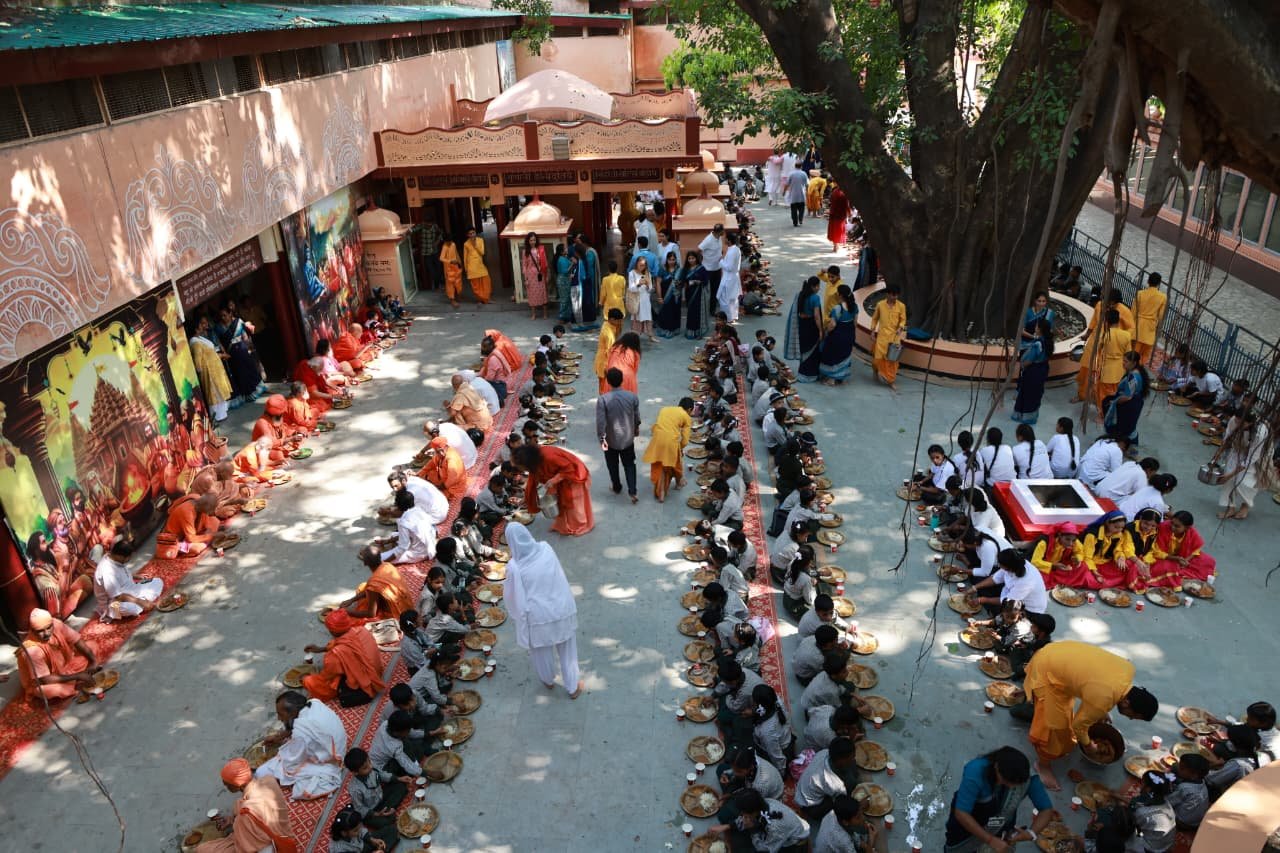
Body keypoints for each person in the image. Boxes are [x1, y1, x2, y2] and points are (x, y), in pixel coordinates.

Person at [1020, 640, 1158, 790]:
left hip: (1059, 651)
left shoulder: (1128, 669)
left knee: (1065, 715)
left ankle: (1032, 700)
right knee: (1055, 728)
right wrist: (1088, 745)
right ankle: (1043, 766)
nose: (1130, 718)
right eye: (1134, 715)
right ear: (1126, 703)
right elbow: (1078, 726)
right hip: (1046, 671)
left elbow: (1098, 680)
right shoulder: (1102, 700)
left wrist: (1102, 709)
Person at [504, 522, 582, 698]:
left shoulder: (514, 567)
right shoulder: (546, 548)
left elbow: (512, 597)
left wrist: (518, 616)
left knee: (540, 651)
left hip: (537, 616)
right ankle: (573, 687)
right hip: (561, 607)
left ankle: (548, 680)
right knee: (568, 650)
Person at [944, 746, 1055, 853]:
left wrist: (1031, 833)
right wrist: (990, 840)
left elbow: (1046, 810)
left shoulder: (1026, 777)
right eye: (1006, 782)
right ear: (996, 768)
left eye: (1015, 785)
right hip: (967, 826)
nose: (1011, 787)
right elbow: (961, 813)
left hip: (1001, 826)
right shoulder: (976, 771)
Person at [255, 690, 348, 800]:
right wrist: (279, 737)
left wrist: (278, 756)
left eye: (281, 714)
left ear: (292, 712)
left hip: (332, 760)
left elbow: (292, 762)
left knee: (260, 772)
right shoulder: (314, 703)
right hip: (340, 745)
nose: (279, 718)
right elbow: (297, 726)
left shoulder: (301, 734)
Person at [196, 759, 294, 852]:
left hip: (272, 845)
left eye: (227, 784)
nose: (226, 787)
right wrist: (233, 820)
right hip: (285, 832)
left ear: (238, 785)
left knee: (201, 849)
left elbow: (246, 847)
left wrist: (236, 824)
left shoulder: (246, 811)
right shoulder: (269, 779)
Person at [302, 609, 386, 706]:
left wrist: (308, 676)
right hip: (377, 672)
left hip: (366, 684)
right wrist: (321, 649)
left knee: (310, 681)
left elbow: (326, 676)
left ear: (332, 631)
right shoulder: (362, 630)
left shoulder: (335, 655)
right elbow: (341, 643)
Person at [15, 608, 99, 701]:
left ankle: (79, 679)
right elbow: (45, 680)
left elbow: (77, 641)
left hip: (66, 666)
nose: (46, 633)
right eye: (40, 631)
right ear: (32, 631)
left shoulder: (56, 624)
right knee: (51, 690)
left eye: (49, 628)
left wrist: (94, 661)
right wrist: (78, 676)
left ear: (52, 623)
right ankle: (77, 684)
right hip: (47, 680)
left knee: (92, 646)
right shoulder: (32, 650)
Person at [513, 444, 594, 536]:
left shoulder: (548, 457)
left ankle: (580, 525)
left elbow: (569, 467)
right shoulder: (534, 461)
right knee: (560, 501)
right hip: (561, 478)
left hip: (574, 474)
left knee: (574, 504)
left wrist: (554, 480)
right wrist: (526, 498)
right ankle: (565, 525)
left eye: (519, 467)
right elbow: (532, 481)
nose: (520, 470)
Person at [596, 366, 641, 502]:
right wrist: (636, 429)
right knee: (629, 464)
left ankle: (617, 487)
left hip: (610, 439)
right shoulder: (632, 397)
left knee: (612, 464)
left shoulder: (603, 399)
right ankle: (633, 492)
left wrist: (601, 439)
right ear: (622, 380)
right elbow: (636, 417)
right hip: (627, 438)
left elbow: (601, 423)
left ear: (608, 382)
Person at [1217, 410, 1270, 520]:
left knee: (1246, 483)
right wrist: (1218, 454)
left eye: (1242, 423)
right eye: (1237, 421)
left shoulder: (1260, 433)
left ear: (1250, 423)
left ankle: (1246, 506)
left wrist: (1230, 475)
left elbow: (1251, 458)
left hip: (1257, 455)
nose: (1238, 425)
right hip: (1238, 448)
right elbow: (1228, 437)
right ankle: (1230, 507)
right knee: (1228, 478)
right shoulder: (1234, 420)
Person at [93, 540, 162, 622]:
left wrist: (135, 576)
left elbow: (120, 573)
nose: (129, 559)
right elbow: (118, 596)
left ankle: (143, 602)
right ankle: (143, 602)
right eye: (128, 557)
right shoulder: (107, 571)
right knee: (132, 609)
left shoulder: (113, 558)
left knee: (158, 582)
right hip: (114, 602)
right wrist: (139, 601)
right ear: (120, 556)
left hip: (130, 590)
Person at [969, 548, 1050, 615]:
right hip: (1009, 591)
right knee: (978, 580)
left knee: (999, 613)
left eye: (1001, 565)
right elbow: (995, 578)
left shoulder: (1026, 582)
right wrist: (974, 587)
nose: (999, 566)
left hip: (1027, 609)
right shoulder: (1014, 564)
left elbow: (1008, 601)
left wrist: (983, 600)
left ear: (1010, 568)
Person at [643, 397, 694, 502]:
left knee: (661, 465)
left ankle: (661, 492)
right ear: (689, 409)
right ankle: (679, 483)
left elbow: (658, 424)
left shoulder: (664, 409)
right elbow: (685, 441)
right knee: (676, 464)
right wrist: (680, 449)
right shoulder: (686, 417)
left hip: (657, 439)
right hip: (671, 442)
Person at [1146, 510, 1216, 585]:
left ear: (1187, 528)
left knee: (1208, 560)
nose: (1172, 527)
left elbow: (1196, 549)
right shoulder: (1163, 527)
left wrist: (1186, 560)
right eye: (1172, 523)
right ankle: (1176, 574)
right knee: (1163, 567)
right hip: (1165, 557)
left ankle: (1176, 573)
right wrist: (1175, 558)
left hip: (1182, 556)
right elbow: (1156, 551)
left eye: (1177, 526)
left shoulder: (1191, 532)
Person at [189, 315, 234, 422]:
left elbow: (210, 354)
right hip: (209, 372)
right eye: (200, 325)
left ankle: (222, 414)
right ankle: (217, 416)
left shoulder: (200, 339)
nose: (203, 327)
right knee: (214, 394)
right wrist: (203, 373)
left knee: (219, 393)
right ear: (196, 328)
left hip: (214, 370)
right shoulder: (195, 342)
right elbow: (198, 361)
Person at [155, 492, 220, 559]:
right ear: (206, 507)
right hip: (173, 540)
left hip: (188, 531)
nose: (212, 512)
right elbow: (191, 539)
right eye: (211, 509)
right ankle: (179, 548)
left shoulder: (196, 498)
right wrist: (212, 536)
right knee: (197, 548)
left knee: (215, 521)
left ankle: (205, 538)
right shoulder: (187, 513)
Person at [1013, 317, 1053, 424]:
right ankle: (1032, 416)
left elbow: (1029, 360)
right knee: (1036, 393)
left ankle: (1025, 417)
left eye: (1036, 326)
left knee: (1028, 393)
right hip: (1042, 370)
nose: (1035, 327)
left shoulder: (1038, 344)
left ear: (1039, 329)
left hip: (1033, 371)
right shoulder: (1048, 341)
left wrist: (1023, 365)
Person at [785, 276, 825, 383]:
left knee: (804, 348)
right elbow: (817, 316)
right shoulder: (815, 298)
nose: (819, 288)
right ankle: (811, 374)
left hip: (802, 325)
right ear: (813, 286)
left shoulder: (800, 295)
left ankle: (802, 373)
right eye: (818, 286)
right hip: (812, 326)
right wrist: (820, 330)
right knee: (813, 350)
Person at [1103, 351, 1149, 442]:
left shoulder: (1132, 377)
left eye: (1126, 361)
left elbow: (1128, 397)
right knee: (1130, 426)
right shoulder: (1137, 371)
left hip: (1129, 405)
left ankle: (1122, 443)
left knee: (1124, 427)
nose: (1123, 363)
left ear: (1134, 363)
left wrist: (1115, 402)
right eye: (1123, 360)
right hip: (1134, 403)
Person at [818, 285, 858, 385]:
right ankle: (841, 376)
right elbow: (855, 323)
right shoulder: (854, 306)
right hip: (849, 335)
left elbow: (832, 325)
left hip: (838, 336)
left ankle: (832, 379)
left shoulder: (838, 308)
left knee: (833, 356)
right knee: (844, 355)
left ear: (840, 295)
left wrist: (826, 331)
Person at [869, 286, 907, 390]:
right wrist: (872, 331)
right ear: (888, 294)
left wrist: (900, 327)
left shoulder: (901, 306)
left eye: (897, 295)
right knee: (877, 359)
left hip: (894, 337)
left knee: (892, 361)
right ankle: (875, 371)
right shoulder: (880, 305)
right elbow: (875, 318)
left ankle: (891, 381)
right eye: (893, 295)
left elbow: (903, 320)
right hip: (882, 337)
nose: (895, 297)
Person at [1166, 753, 1211, 830]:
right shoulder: (1202, 782)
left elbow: (1168, 802)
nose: (1179, 768)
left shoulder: (1184, 788)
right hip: (1197, 822)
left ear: (1194, 775)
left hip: (1182, 822)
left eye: (1182, 768)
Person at [1132, 273, 1168, 364]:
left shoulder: (1140, 294)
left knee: (1133, 353)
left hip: (1138, 327)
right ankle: (1139, 368)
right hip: (1150, 329)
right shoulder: (1163, 297)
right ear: (1159, 284)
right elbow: (1161, 316)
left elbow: (1133, 312)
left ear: (1148, 281)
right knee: (1145, 355)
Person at [418, 436, 467, 501]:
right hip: (443, 477)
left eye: (441, 450)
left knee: (434, 498)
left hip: (453, 486)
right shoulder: (440, 452)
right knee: (425, 474)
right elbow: (431, 463)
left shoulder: (452, 460)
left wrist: (442, 486)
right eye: (437, 451)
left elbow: (453, 478)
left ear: (445, 447)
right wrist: (419, 473)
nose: (440, 453)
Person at [678, 250, 712, 340]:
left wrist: (697, 282)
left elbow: (706, 281)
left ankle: (698, 332)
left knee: (697, 313)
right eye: (689, 258)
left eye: (693, 258)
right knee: (690, 313)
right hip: (689, 293)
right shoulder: (685, 269)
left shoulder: (701, 269)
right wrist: (683, 293)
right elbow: (682, 282)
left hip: (699, 295)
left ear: (696, 259)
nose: (691, 260)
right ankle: (690, 332)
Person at [654, 252, 683, 338]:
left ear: (676, 260)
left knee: (675, 312)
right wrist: (659, 297)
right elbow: (658, 283)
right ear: (667, 260)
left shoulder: (679, 270)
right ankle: (665, 330)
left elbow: (682, 283)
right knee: (666, 313)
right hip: (665, 295)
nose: (671, 261)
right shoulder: (662, 269)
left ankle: (673, 329)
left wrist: (679, 284)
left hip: (676, 296)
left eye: (673, 260)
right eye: (670, 259)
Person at [594, 308, 624, 393]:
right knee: (604, 387)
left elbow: (617, 335)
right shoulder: (608, 334)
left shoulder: (607, 324)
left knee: (604, 386)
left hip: (603, 358)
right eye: (618, 321)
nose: (619, 323)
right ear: (612, 319)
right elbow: (609, 352)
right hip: (604, 362)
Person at [627, 255, 656, 340]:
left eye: (644, 265)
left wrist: (647, 285)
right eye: (641, 265)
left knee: (648, 317)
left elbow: (650, 289)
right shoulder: (632, 273)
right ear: (637, 264)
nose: (642, 267)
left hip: (646, 299)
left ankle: (650, 335)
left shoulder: (648, 273)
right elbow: (631, 288)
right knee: (637, 318)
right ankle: (635, 336)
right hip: (636, 300)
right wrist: (639, 284)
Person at [605, 332, 642, 396]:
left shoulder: (614, 348)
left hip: (612, 374)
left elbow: (607, 362)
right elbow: (635, 370)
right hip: (628, 376)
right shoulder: (635, 352)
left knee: (610, 398)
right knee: (628, 399)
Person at [522, 232, 549, 319]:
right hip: (530, 276)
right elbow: (524, 266)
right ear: (528, 241)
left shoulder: (540, 249)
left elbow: (545, 263)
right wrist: (526, 279)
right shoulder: (525, 252)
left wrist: (547, 274)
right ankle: (533, 314)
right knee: (532, 294)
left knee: (543, 293)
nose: (533, 242)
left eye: (534, 240)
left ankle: (545, 314)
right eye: (531, 240)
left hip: (540, 274)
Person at [463, 226, 490, 304]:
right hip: (471, 266)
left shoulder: (480, 240)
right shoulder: (466, 244)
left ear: (475, 233)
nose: (472, 235)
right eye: (470, 234)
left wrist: (475, 245)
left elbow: (482, 253)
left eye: (473, 233)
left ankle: (485, 298)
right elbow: (465, 257)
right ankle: (480, 299)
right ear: (468, 235)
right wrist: (466, 269)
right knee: (476, 285)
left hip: (480, 264)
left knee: (486, 281)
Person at [720, 232, 743, 323]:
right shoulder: (735, 249)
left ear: (729, 240)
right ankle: (733, 316)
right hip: (733, 277)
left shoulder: (732, 251)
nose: (724, 240)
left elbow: (729, 267)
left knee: (726, 299)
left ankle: (729, 318)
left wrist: (721, 261)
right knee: (733, 298)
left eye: (725, 238)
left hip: (729, 278)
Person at [699, 224, 724, 303]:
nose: (724, 232)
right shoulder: (708, 240)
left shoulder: (719, 237)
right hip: (708, 270)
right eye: (723, 230)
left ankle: (712, 308)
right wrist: (700, 262)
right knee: (708, 291)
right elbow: (699, 249)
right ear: (719, 231)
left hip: (717, 268)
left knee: (715, 290)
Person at [440, 234, 464, 308]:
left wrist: (460, 262)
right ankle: (452, 300)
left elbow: (456, 254)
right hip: (448, 269)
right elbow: (441, 258)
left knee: (458, 282)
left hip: (455, 267)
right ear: (445, 241)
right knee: (450, 284)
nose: (449, 243)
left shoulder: (453, 244)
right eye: (448, 242)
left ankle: (457, 296)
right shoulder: (444, 247)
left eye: (450, 241)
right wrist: (450, 261)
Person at [826, 183, 851, 253]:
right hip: (841, 215)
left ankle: (835, 246)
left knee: (834, 230)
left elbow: (831, 201)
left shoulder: (834, 192)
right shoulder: (844, 193)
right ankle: (836, 246)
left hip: (833, 214)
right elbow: (847, 205)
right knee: (839, 230)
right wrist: (849, 213)